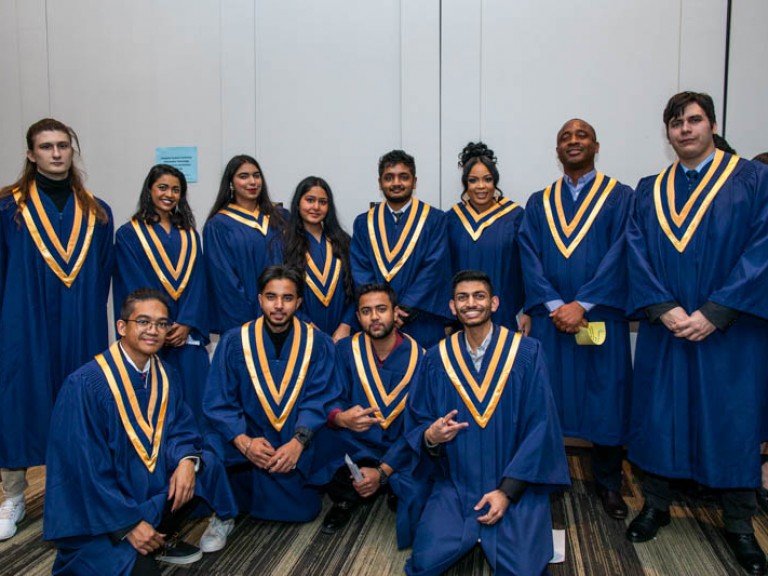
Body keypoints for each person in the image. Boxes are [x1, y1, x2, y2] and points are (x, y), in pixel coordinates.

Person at [626, 92, 768, 576]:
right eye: (675, 123)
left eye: (694, 120)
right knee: (660, 413)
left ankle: (740, 525)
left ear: (711, 124)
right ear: (667, 132)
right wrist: (664, 309)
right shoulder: (648, 189)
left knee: (731, 421)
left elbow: (762, 248)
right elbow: (636, 252)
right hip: (667, 329)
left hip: (730, 331)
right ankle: (656, 504)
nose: (685, 129)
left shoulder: (753, 180)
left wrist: (717, 310)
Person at [43, 289, 238, 575]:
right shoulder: (86, 384)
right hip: (101, 513)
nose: (153, 330)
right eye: (143, 322)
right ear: (122, 327)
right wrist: (127, 524)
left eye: (161, 323)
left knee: (204, 463)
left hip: (146, 492)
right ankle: (137, 536)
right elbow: (83, 469)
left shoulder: (166, 375)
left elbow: (181, 429)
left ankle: (160, 534)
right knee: (139, 571)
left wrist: (186, 460)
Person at [405, 270, 570, 576]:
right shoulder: (436, 359)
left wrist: (507, 491)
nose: (471, 303)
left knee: (523, 570)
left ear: (494, 303)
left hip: (515, 485)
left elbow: (541, 426)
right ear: (452, 307)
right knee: (424, 564)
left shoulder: (526, 353)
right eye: (462, 298)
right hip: (456, 484)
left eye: (479, 296)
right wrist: (430, 435)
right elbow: (418, 418)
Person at [0, 118, 114, 541]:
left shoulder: (97, 212)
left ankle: (77, 492)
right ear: (31, 154)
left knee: (80, 403)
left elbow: (102, 275)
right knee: (18, 402)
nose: (55, 153)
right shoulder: (7, 208)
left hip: (79, 322)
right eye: (46, 146)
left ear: (72, 150)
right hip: (22, 323)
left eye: (63, 145)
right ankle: (13, 495)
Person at [518, 118, 634, 520]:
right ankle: (548, 479)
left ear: (596, 146)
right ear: (557, 151)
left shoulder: (621, 198)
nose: (573, 141)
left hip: (597, 321)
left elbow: (621, 253)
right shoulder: (538, 202)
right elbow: (528, 256)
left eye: (581, 135)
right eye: (565, 137)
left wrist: (582, 304)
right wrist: (552, 304)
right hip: (552, 321)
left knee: (605, 397)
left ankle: (608, 483)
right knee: (546, 398)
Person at [204, 265, 341, 522]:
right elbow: (219, 401)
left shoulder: (318, 344)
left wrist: (298, 442)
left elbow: (321, 397)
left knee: (304, 511)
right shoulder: (235, 342)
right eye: (271, 297)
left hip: (296, 440)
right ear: (260, 299)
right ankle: (223, 514)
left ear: (299, 302)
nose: (278, 305)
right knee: (210, 441)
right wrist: (244, 443)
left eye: (287, 298)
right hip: (251, 439)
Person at [310, 283, 424, 542]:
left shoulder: (422, 358)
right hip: (356, 442)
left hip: (400, 445)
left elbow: (421, 422)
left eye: (381, 309)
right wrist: (340, 417)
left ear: (395, 313)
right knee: (322, 438)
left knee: (423, 465)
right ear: (358, 317)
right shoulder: (344, 350)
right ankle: (345, 499)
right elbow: (327, 395)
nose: (374, 317)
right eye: (366, 311)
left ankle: (387, 481)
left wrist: (385, 469)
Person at [350, 150, 452, 349]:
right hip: (377, 320)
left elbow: (434, 268)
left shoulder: (435, 220)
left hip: (421, 317)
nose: (396, 183)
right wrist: (380, 309)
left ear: (414, 182)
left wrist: (405, 308)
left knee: (423, 373)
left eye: (403, 177)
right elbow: (361, 269)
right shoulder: (364, 223)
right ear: (380, 183)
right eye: (389, 178)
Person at [203, 154, 287, 334]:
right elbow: (224, 282)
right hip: (243, 320)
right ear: (231, 183)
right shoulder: (218, 226)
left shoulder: (279, 217)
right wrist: (250, 321)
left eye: (256, 176)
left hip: (284, 315)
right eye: (244, 176)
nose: (252, 182)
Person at [447, 142, 526, 331]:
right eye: (473, 180)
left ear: (495, 182)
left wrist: (528, 310)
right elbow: (444, 272)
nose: (481, 186)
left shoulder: (515, 216)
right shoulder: (452, 219)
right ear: (465, 183)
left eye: (487, 179)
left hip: (505, 311)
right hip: (462, 315)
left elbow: (528, 267)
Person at [282, 176, 355, 341]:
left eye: (322, 202)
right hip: (301, 333)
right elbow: (281, 294)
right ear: (298, 203)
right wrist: (307, 325)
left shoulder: (343, 242)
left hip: (342, 336)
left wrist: (346, 325)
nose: (316, 207)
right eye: (310, 200)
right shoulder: (283, 244)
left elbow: (357, 289)